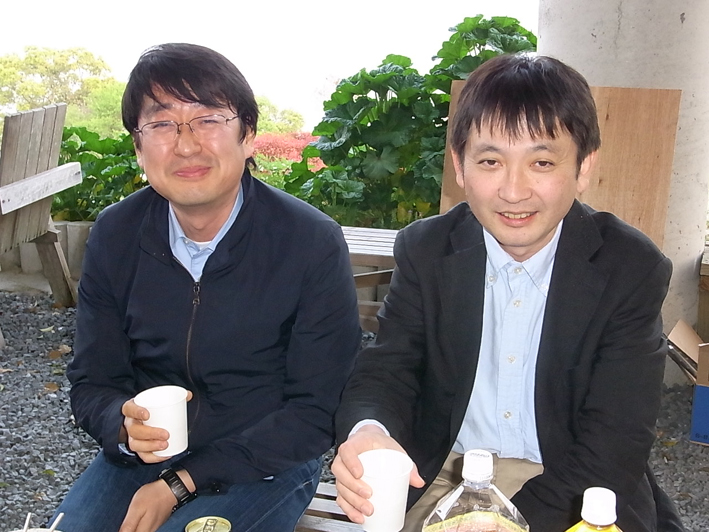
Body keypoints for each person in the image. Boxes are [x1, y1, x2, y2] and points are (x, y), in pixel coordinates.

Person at [333, 53, 684, 532]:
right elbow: (389, 368)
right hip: (447, 473)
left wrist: (506, 521)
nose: (514, 192)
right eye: (490, 161)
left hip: (572, 484)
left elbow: (616, 441)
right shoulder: (427, 250)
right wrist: (368, 430)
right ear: (460, 166)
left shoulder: (629, 267)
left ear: (583, 167)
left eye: (541, 162)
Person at [52, 43, 361, 532]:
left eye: (208, 119)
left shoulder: (309, 241)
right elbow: (93, 379)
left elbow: (316, 409)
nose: (186, 145)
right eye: (162, 124)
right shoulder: (116, 233)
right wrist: (122, 425)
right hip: (145, 456)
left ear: (248, 136)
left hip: (265, 460)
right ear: (138, 147)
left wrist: (181, 483)